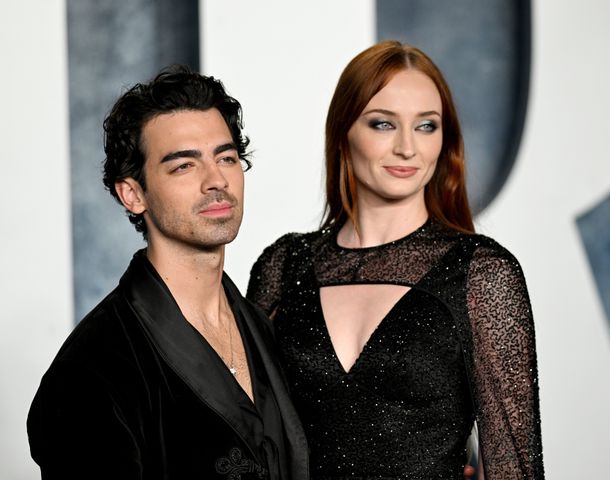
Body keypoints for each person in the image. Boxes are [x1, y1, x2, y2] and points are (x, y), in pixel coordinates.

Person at [247, 40, 544, 479]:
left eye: (426, 126)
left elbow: (515, 468)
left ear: (446, 142)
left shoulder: (480, 272)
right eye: (383, 124)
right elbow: (246, 435)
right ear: (344, 133)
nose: (408, 147)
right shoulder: (284, 266)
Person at [27, 66, 308, 480]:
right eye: (184, 166)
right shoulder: (90, 370)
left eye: (226, 157)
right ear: (133, 193)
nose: (216, 180)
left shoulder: (261, 327)